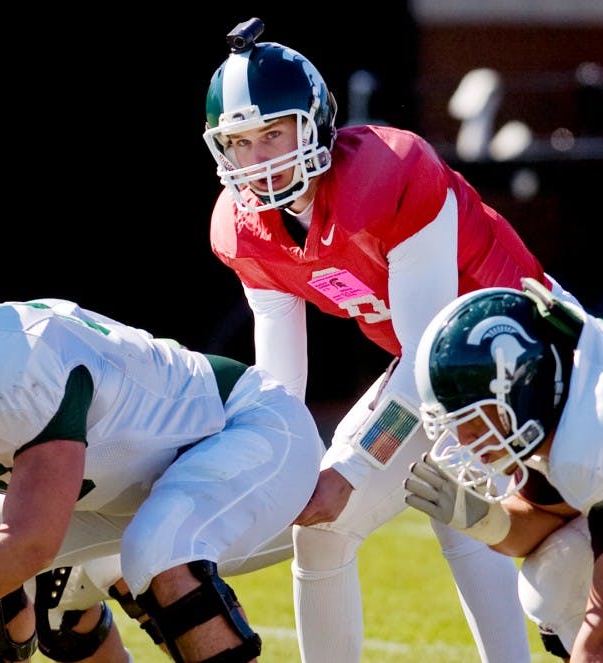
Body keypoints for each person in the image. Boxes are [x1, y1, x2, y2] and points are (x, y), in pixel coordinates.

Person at [201, 17, 583, 663]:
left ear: (315, 123)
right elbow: (280, 390)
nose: (261, 159)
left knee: (555, 559)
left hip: (535, 356)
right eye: (242, 142)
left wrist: (351, 467)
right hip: (442, 373)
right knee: (325, 533)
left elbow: (430, 362)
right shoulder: (244, 230)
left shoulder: (387, 172)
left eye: (274, 133)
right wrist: (263, 467)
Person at [0, 221, 324, 663]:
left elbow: (30, 541)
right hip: (125, 486)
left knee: (159, 548)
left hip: (246, 429)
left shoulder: (18, 359)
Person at [403, 277, 603, 662]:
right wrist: (483, 521)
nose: (466, 441)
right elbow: (546, 516)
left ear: (520, 387)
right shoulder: (564, 395)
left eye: (474, 422)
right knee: (555, 581)